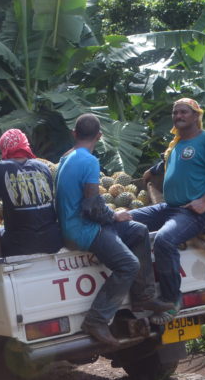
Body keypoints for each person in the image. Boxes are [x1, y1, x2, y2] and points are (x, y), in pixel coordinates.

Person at [55, 114, 174, 346]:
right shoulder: (88, 161)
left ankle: (144, 297)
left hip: (75, 225)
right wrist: (115, 215)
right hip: (83, 230)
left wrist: (114, 218)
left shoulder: (66, 158)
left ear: (74, 134)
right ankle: (97, 320)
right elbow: (92, 208)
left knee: (138, 231)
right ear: (99, 136)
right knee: (129, 265)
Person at [131, 98, 205, 321]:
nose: (178, 116)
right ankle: (143, 292)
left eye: (184, 112)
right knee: (124, 221)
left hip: (195, 212)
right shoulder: (177, 144)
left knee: (164, 240)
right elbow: (170, 164)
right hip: (169, 208)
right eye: (175, 112)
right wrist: (152, 172)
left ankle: (172, 300)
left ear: (196, 115)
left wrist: (204, 201)